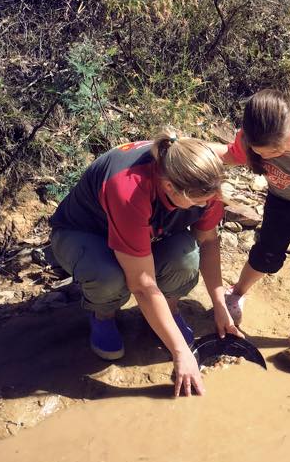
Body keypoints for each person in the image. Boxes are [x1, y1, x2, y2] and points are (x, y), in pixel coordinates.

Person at [48, 130, 236, 397]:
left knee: (186, 255)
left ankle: (167, 312)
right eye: (198, 202)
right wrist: (180, 353)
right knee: (109, 276)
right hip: (86, 233)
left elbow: (207, 242)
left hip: (148, 232)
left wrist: (219, 305)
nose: (206, 205)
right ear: (170, 188)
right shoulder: (129, 189)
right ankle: (103, 315)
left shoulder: (203, 180)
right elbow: (142, 285)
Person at [214, 90, 290, 354]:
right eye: (261, 153)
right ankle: (236, 294)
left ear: (289, 130)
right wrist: (192, 152)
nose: (267, 158)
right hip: (279, 202)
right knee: (264, 255)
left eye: (275, 152)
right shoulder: (250, 140)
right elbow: (230, 155)